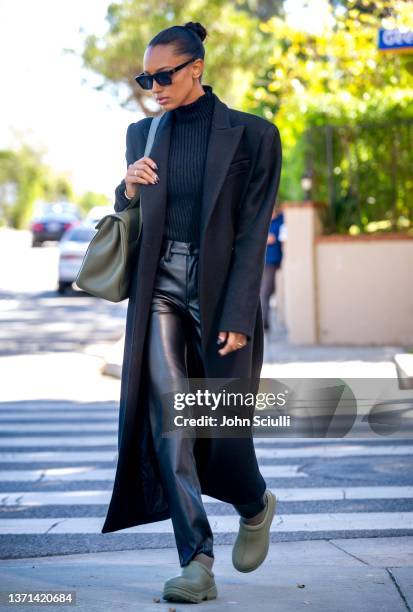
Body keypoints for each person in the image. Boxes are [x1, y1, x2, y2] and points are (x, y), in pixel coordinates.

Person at [101, 21, 282, 604]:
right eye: (145, 77)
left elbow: (254, 231)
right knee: (169, 421)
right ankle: (197, 561)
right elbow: (130, 210)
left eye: (164, 75)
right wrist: (126, 187)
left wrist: (235, 310)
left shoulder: (254, 134)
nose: (153, 85)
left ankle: (254, 504)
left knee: (225, 433)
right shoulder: (143, 133)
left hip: (221, 289)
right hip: (159, 289)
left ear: (196, 69)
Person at [260, 206, 284, 331]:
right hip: (263, 262)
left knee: (266, 291)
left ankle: (263, 322)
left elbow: (279, 238)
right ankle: (264, 322)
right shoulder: (263, 220)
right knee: (265, 292)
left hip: (273, 262)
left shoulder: (281, 220)